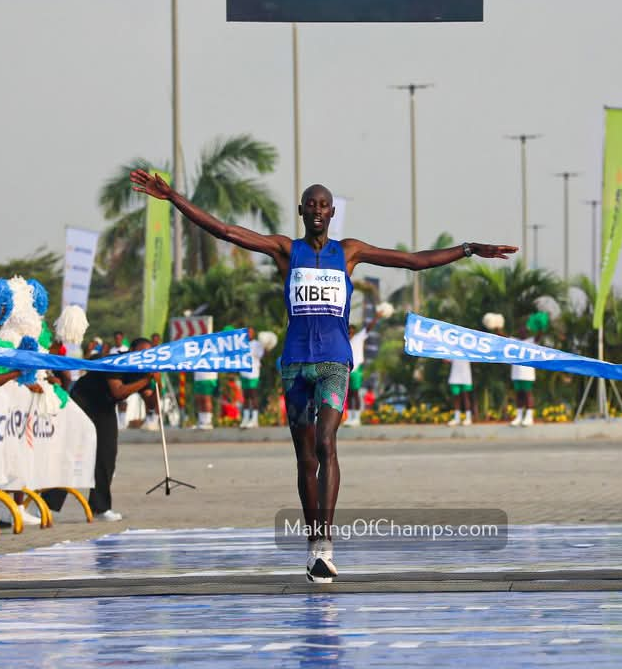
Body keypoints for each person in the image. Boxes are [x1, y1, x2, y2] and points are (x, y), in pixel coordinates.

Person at [130, 169, 515, 582]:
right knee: (305, 456)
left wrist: (469, 248)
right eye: (310, 204)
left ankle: (325, 548)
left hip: (334, 361)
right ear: (301, 211)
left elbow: (414, 262)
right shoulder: (284, 250)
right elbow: (225, 231)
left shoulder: (348, 252)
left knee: (327, 444)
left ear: (332, 213)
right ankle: (313, 545)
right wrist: (174, 198)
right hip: (295, 365)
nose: (317, 210)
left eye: (323, 204)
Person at [57, 337, 158, 522]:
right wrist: (146, 381)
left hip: (104, 407)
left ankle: (100, 507)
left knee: (107, 454)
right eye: (141, 353)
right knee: (72, 453)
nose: (144, 357)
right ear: (131, 352)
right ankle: (49, 505)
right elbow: (118, 392)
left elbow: (151, 405)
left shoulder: (144, 372)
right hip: (83, 400)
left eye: (148, 354)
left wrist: (157, 385)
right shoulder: (117, 363)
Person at [346, 314, 381, 427]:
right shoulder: (344, 341)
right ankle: (350, 418)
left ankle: (356, 418)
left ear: (354, 332)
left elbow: (369, 327)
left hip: (357, 369)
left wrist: (376, 317)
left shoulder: (358, 338)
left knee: (355, 393)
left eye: (352, 331)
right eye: (348, 332)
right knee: (349, 394)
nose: (350, 333)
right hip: (346, 369)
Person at [239, 328, 267, 429]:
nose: (248, 334)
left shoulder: (257, 344)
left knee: (253, 395)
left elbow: (262, 355)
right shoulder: (241, 344)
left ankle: (254, 419)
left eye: (250, 332)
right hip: (243, 373)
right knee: (245, 396)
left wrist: (266, 348)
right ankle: (246, 418)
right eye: (246, 332)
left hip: (253, 373)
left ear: (253, 334)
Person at [446, 358, 475, 427]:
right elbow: (446, 360)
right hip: (455, 376)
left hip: (466, 376)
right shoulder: (453, 349)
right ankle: (457, 419)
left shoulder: (468, 348)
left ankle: (468, 418)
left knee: (466, 396)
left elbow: (474, 360)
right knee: (456, 397)